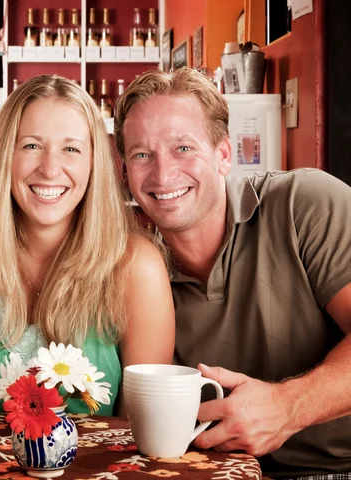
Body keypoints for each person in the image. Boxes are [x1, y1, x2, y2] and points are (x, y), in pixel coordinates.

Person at [113, 67, 351, 477]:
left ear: (224, 155)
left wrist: (287, 407)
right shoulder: (128, 266)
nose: (162, 174)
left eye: (183, 148)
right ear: (124, 173)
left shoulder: (306, 203)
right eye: (141, 154)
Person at [0, 74, 175, 416]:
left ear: (93, 162)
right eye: (31, 146)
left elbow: (144, 431)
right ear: (4, 156)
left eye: (71, 149)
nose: (50, 168)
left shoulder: (137, 266)